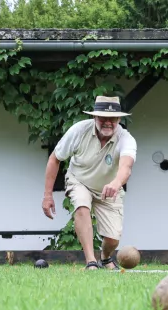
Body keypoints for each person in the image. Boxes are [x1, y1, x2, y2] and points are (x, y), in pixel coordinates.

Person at [41, 96, 137, 270]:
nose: (108, 122)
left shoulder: (126, 138)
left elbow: (126, 166)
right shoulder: (79, 131)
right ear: (94, 118)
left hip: (109, 188)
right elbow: (55, 158)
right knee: (82, 206)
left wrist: (115, 183)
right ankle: (91, 262)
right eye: (103, 118)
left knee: (112, 239)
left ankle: (105, 257)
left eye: (112, 119)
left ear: (119, 119)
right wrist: (48, 195)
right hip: (79, 180)